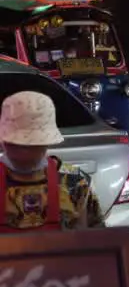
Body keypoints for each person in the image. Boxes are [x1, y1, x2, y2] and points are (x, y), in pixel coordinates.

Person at [0, 91, 103, 231]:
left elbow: (99, 240)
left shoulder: (76, 183)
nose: (23, 151)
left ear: (47, 142)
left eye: (30, 143)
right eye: (15, 143)